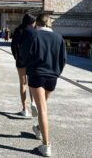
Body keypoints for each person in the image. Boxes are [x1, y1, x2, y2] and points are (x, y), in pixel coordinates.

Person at [20, 13, 66, 157]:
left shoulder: (33, 35)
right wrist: (56, 72)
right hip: (52, 76)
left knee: (42, 110)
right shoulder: (59, 38)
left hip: (37, 75)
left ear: (37, 23)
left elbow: (24, 54)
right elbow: (63, 59)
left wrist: (28, 67)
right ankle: (39, 128)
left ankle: (46, 145)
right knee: (43, 106)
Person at [11, 13, 37, 117]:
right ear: (31, 22)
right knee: (31, 83)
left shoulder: (18, 30)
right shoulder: (34, 32)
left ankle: (24, 109)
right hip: (31, 60)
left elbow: (13, 45)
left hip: (21, 60)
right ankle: (33, 103)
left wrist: (16, 56)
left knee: (23, 84)